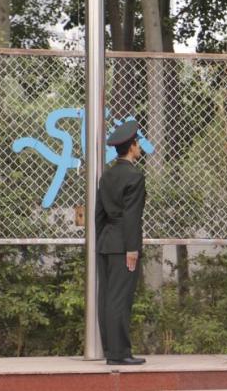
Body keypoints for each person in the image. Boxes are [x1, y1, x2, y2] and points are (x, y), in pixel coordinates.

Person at [96, 120, 148, 365]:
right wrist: (132, 248)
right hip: (123, 244)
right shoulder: (134, 176)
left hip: (107, 242)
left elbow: (99, 214)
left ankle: (111, 349)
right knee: (120, 299)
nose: (139, 148)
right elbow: (132, 215)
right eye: (138, 143)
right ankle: (120, 354)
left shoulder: (107, 175)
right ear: (132, 146)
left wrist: (101, 241)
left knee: (107, 297)